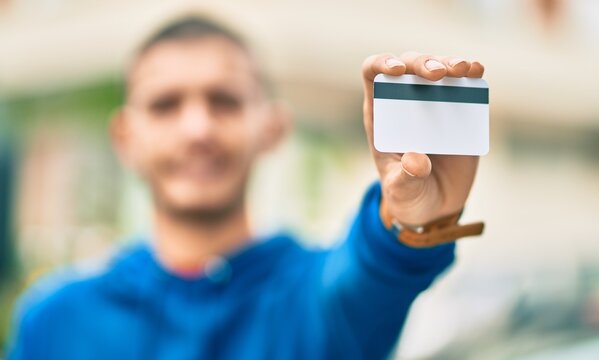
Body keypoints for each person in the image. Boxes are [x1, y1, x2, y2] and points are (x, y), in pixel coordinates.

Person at [8, 15, 485, 360]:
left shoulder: (317, 301)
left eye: (225, 101)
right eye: (165, 104)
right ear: (125, 139)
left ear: (272, 128)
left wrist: (415, 220)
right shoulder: (55, 321)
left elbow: (375, 269)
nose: (197, 127)